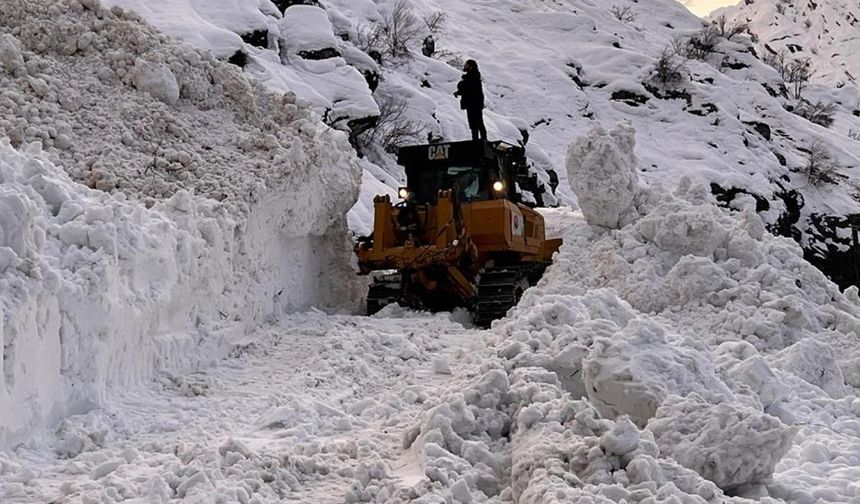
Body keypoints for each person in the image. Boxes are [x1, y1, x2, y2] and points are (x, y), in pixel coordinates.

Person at [454, 59, 487, 141]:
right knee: (474, 124)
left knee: (477, 123)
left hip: (474, 104)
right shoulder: (472, 77)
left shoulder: (473, 77)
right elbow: (467, 88)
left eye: (466, 64)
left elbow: (467, 87)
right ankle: (476, 141)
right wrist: (459, 91)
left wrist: (460, 86)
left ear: (471, 66)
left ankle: (482, 140)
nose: (464, 66)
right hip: (472, 103)